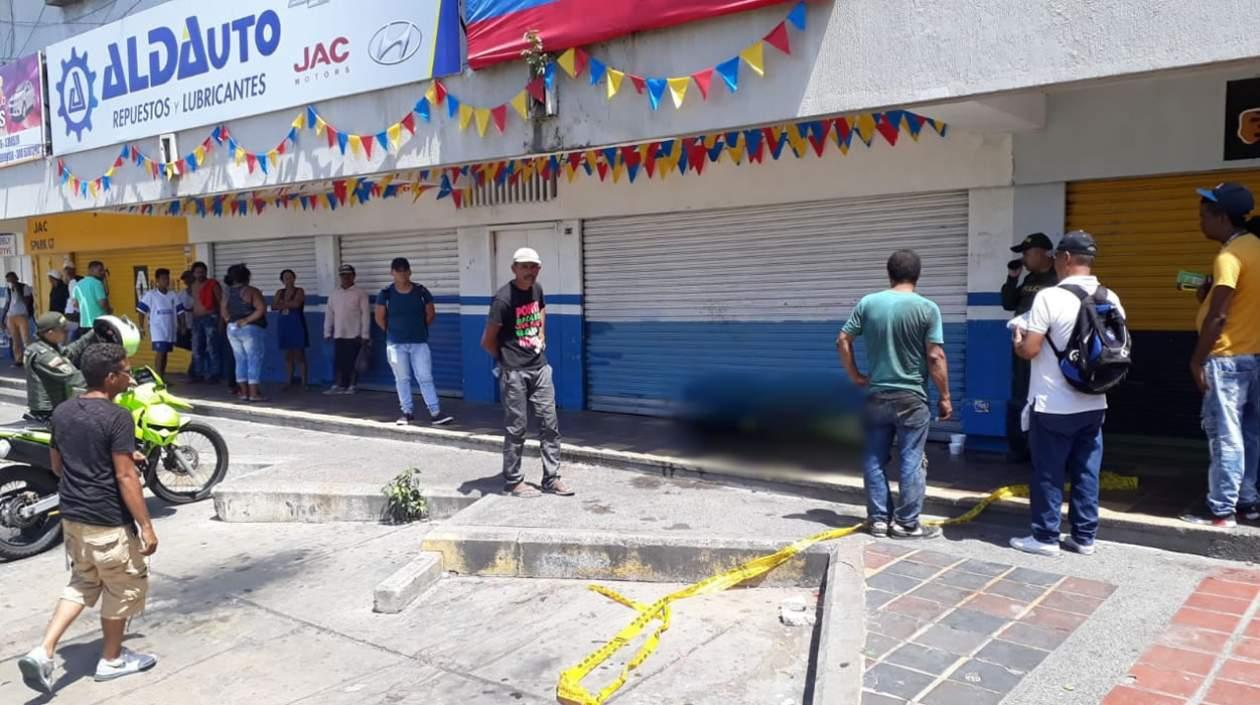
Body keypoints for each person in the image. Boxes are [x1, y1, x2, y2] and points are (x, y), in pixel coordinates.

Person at [16, 343, 158, 694]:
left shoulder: (64, 411)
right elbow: (126, 478)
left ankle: (43, 650)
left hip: (74, 518)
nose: (128, 377)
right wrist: (147, 526)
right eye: (125, 371)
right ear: (110, 378)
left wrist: (114, 458)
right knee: (121, 587)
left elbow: (57, 463)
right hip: (108, 520)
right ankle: (112, 660)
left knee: (82, 582)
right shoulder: (117, 416)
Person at [1009, 231, 1124, 556]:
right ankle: (1084, 537)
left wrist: (1018, 338)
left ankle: (1045, 537)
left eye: (1059, 257)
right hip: (1095, 400)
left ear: (1067, 259)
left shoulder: (1049, 297)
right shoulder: (1110, 297)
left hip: (1053, 403)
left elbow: (1030, 350)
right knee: (1086, 470)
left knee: (1048, 471)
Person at [837, 249, 952, 539]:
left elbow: (843, 339)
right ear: (917, 275)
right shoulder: (927, 308)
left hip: (877, 395)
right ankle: (906, 524)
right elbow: (936, 356)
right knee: (912, 459)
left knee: (874, 458)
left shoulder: (869, 303)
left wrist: (855, 375)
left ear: (889, 274)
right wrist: (945, 396)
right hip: (912, 398)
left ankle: (877, 520)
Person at [1180, 182, 1260, 528]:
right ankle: (1247, 501)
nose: (1200, 222)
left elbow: (1220, 316)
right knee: (1250, 434)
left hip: (1226, 359)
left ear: (1221, 217)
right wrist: (1207, 296)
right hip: (1254, 357)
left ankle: (1221, 510)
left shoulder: (1228, 256)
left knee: (1225, 436)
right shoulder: (1256, 247)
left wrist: (1198, 360)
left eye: (1204, 216)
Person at [480, 247, 572, 498]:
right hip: (515, 372)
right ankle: (512, 481)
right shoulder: (503, 299)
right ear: (514, 269)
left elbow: (540, 308)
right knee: (516, 428)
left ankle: (551, 478)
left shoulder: (537, 289)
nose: (530, 271)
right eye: (524, 266)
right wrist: (506, 361)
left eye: (533, 266)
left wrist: (541, 333)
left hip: (540, 367)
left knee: (549, 425)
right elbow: (487, 341)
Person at [1001, 232, 1059, 463]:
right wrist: (1012, 277)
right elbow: (1008, 303)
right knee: (1019, 395)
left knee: (1043, 396)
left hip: (1047, 349)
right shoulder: (1030, 279)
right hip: (1022, 347)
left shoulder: (1057, 278)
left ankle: (1042, 450)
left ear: (1043, 254)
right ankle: (1020, 449)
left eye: (1027, 253)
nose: (1024, 258)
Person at [375, 257, 454, 426]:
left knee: (425, 377)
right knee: (402, 378)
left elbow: (430, 313)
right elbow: (379, 317)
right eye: (398, 270)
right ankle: (407, 412)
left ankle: (435, 412)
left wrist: (419, 329)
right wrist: (392, 332)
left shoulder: (421, 291)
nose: (402, 273)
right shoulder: (386, 293)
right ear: (392, 273)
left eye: (404, 270)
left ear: (410, 272)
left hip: (419, 342)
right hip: (396, 343)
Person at [23, 312, 100, 422]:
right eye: (63, 331)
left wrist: (93, 333)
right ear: (50, 333)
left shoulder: (48, 347)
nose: (67, 333)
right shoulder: (43, 354)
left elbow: (70, 352)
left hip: (56, 409)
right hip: (47, 414)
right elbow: (73, 377)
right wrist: (106, 380)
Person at [220, 264, 268, 402]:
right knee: (254, 359)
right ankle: (254, 393)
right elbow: (261, 308)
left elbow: (223, 310)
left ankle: (243, 392)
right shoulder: (251, 291)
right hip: (250, 328)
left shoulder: (227, 293)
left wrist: (230, 320)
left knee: (240, 360)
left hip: (232, 328)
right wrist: (247, 319)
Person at [324, 264, 371, 395]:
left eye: (348, 275)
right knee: (339, 360)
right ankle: (339, 385)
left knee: (353, 361)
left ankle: (352, 385)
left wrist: (365, 335)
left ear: (353, 276)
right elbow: (329, 314)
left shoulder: (360, 293)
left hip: (355, 333)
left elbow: (365, 314)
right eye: (343, 275)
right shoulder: (334, 294)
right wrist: (327, 331)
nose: (345, 277)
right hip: (339, 333)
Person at [137, 269, 184, 380]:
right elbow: (141, 311)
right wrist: (141, 327)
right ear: (157, 280)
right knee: (160, 353)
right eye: (163, 279)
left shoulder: (172, 294)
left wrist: (183, 325)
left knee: (165, 353)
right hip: (157, 329)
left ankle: (162, 377)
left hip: (170, 328)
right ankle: (158, 379)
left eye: (167, 278)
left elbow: (180, 311)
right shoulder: (151, 295)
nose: (166, 281)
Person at [273, 269, 309, 388]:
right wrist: (287, 303)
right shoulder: (280, 292)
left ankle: (304, 382)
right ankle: (288, 381)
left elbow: (297, 304)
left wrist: (282, 303)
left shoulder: (299, 290)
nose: (288, 280)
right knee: (288, 354)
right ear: (282, 280)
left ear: (294, 278)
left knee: (300, 353)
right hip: (284, 324)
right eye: (285, 278)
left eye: (290, 277)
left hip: (296, 323)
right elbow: (274, 306)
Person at [188, 261, 222, 384]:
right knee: (196, 348)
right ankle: (198, 374)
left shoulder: (213, 284)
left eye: (202, 272)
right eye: (197, 272)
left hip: (210, 318)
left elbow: (220, 302)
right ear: (194, 273)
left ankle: (214, 374)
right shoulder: (193, 285)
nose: (200, 274)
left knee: (211, 347)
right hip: (196, 319)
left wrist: (220, 320)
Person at [72, 261, 111, 342]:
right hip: (99, 324)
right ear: (91, 271)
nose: (102, 272)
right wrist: (109, 311)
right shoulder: (97, 283)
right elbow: (102, 303)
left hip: (84, 324)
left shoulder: (77, 285)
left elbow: (75, 304)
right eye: (100, 270)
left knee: (88, 350)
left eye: (103, 270)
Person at [3, 271, 35, 365]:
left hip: (22, 316)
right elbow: (7, 304)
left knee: (26, 339)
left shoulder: (24, 287)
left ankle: (29, 359)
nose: (11, 281)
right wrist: (2, 318)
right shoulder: (8, 289)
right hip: (11, 316)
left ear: (16, 278)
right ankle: (18, 359)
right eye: (9, 280)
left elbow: (27, 301)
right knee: (15, 340)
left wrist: (17, 289)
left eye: (12, 279)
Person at [63, 264, 83, 339]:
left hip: (73, 315)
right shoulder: (79, 280)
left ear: (67, 273)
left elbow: (75, 302)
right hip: (77, 315)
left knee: (71, 338)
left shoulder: (72, 283)